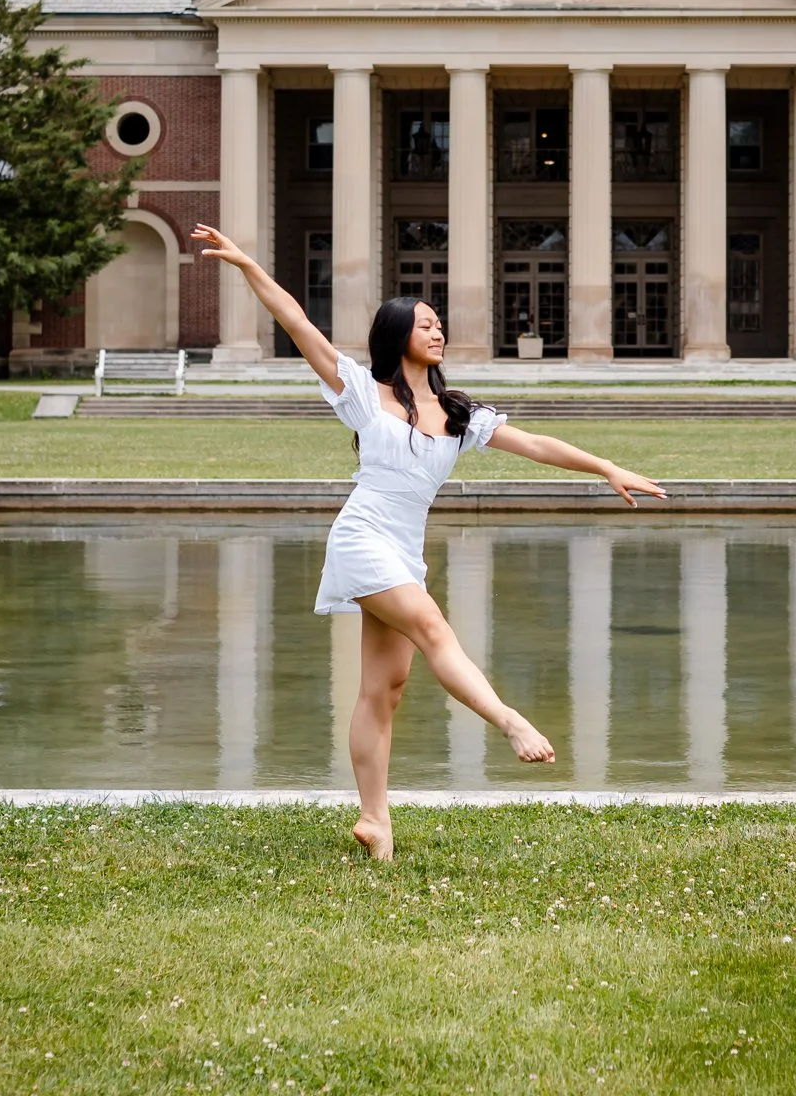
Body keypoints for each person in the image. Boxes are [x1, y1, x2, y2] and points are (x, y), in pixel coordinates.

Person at [191, 223, 665, 860]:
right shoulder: (360, 392)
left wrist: (605, 467)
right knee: (436, 631)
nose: (437, 331)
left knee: (383, 689)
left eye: (439, 323)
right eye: (424, 324)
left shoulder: (461, 414)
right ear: (397, 337)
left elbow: (537, 446)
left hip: (404, 551)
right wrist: (247, 263)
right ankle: (509, 720)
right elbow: (295, 318)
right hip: (362, 539)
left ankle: (375, 820)